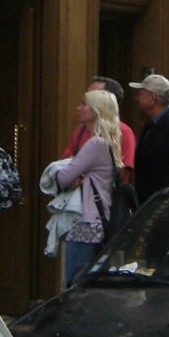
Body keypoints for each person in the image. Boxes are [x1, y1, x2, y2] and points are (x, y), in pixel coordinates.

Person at [54, 89, 123, 286]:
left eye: (84, 104)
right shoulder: (108, 143)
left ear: (96, 110)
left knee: (75, 284)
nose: (79, 108)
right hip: (101, 221)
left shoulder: (95, 144)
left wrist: (61, 169)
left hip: (87, 223)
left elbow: (64, 178)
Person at [63, 76, 136, 181]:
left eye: (94, 94)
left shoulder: (124, 132)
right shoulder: (82, 129)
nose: (89, 97)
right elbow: (66, 161)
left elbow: (121, 173)